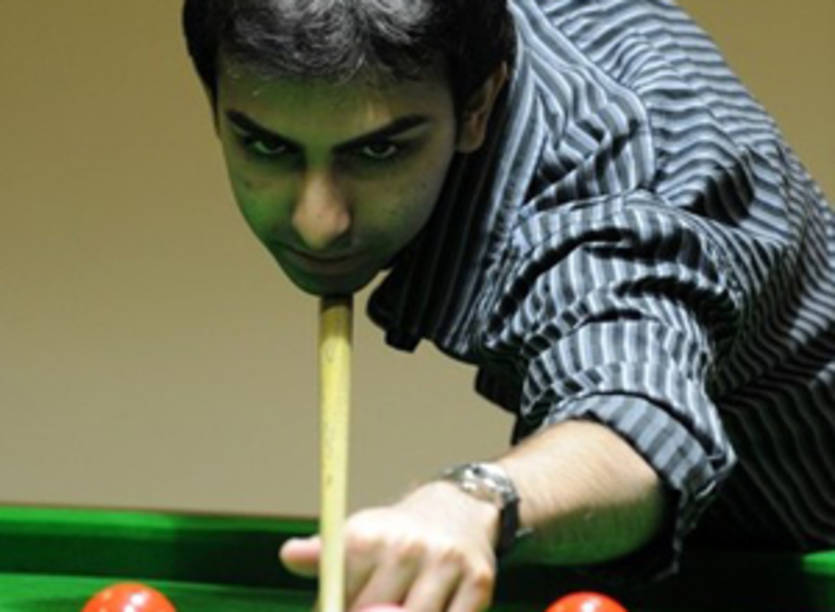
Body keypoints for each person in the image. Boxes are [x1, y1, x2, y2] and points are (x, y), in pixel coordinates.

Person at [182, 1, 835, 610]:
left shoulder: (605, 201)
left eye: (379, 149)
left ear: (478, 105)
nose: (319, 223)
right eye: (266, 144)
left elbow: (637, 416)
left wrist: (470, 503)